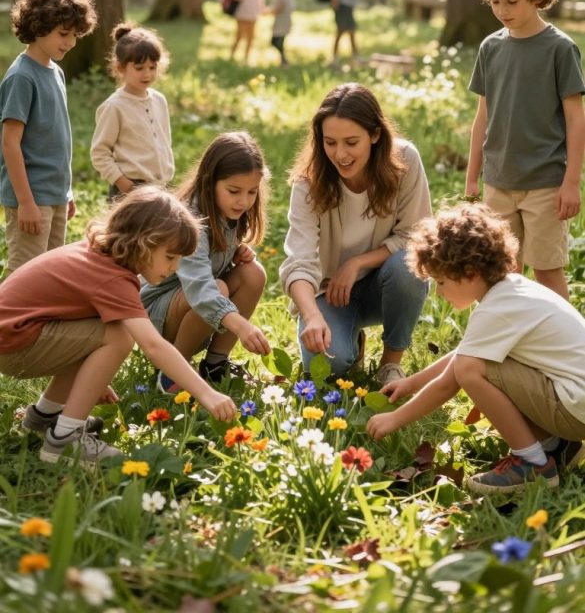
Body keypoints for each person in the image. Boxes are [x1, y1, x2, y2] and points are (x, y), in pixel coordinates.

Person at [0, 186, 237, 465]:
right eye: (170, 257)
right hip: (14, 344)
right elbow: (153, 345)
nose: (175, 267)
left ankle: (45, 418)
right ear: (144, 243)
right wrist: (206, 393)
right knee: (120, 336)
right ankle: (64, 440)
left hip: (15, 337)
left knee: (113, 332)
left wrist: (94, 376)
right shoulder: (112, 277)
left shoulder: (99, 255)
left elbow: (84, 325)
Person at [367, 203, 585, 494]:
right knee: (473, 362)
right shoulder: (510, 290)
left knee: (472, 371)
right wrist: (411, 383)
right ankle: (556, 446)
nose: (440, 293)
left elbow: (453, 380)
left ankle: (532, 464)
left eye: (442, 282)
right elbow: (463, 352)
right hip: (575, 402)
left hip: (575, 409)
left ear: (470, 273)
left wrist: (395, 418)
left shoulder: (497, 309)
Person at [280, 83, 431, 381]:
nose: (340, 154)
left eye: (351, 142)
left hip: (384, 286)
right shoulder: (308, 183)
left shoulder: (405, 162)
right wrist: (311, 317)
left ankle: (390, 363)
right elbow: (299, 261)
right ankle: (349, 341)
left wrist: (357, 263)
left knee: (409, 265)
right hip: (329, 292)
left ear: (375, 135)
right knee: (326, 367)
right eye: (330, 142)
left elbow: (416, 236)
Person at [465, 0, 585, 301]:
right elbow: (482, 117)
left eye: (511, 1)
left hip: (546, 184)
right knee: (502, 274)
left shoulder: (560, 48)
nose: (502, 10)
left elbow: (576, 119)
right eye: (495, 2)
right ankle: (505, 350)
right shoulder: (490, 48)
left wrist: (571, 183)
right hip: (499, 182)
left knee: (548, 272)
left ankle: (565, 352)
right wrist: (472, 178)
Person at [141, 132, 271, 392]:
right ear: (210, 183)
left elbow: (205, 264)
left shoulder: (228, 213)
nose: (244, 201)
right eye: (234, 191)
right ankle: (173, 372)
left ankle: (215, 365)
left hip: (191, 307)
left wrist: (233, 254)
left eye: (252, 192)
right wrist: (241, 325)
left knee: (252, 274)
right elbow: (200, 287)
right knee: (217, 289)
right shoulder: (189, 220)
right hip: (156, 314)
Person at [0, 0, 98, 273]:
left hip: (54, 195)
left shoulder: (55, 72)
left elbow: (55, 137)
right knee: (24, 275)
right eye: (63, 33)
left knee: (50, 275)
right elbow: (9, 143)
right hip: (30, 197)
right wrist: (26, 202)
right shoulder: (21, 77)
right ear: (38, 26)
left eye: (75, 35)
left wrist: (64, 193)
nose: (69, 42)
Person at [91, 23, 174, 199]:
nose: (147, 74)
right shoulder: (114, 106)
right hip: (130, 190)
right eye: (139, 68)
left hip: (161, 188)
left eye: (152, 67)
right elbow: (99, 152)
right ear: (121, 68)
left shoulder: (159, 100)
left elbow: (165, 143)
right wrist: (124, 184)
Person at [267, 0, 295, 67]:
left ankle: (284, 60)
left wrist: (268, 12)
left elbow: (278, 8)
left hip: (281, 21)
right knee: (279, 41)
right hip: (286, 20)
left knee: (275, 41)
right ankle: (283, 61)